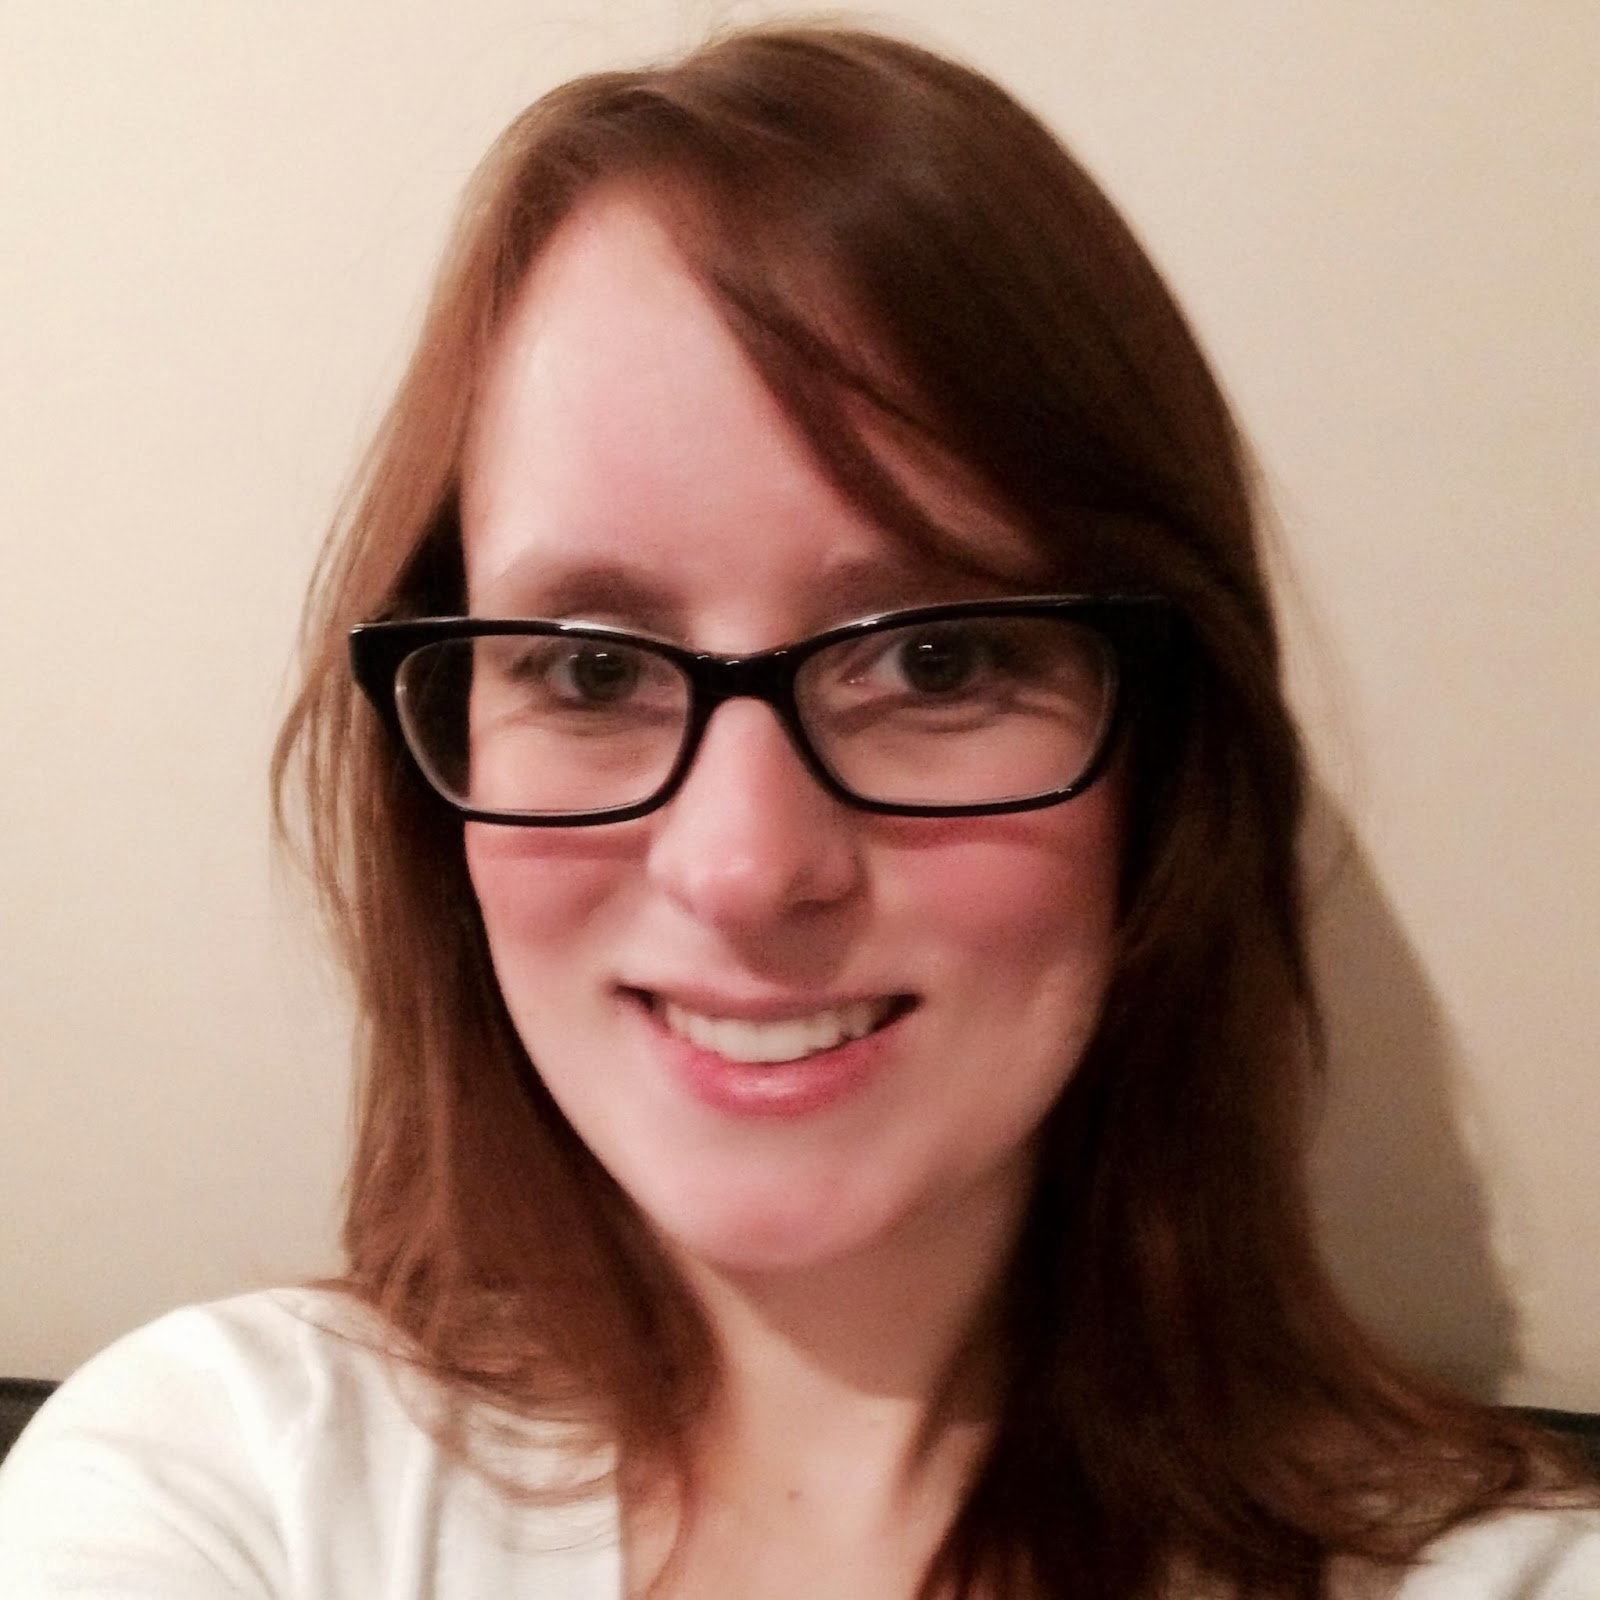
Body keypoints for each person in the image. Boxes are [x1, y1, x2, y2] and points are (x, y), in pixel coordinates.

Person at [0, 22, 1594, 1600]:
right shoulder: (226, 1479)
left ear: (1168, 759)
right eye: (588, 669)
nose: (745, 866)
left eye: (937, 659)